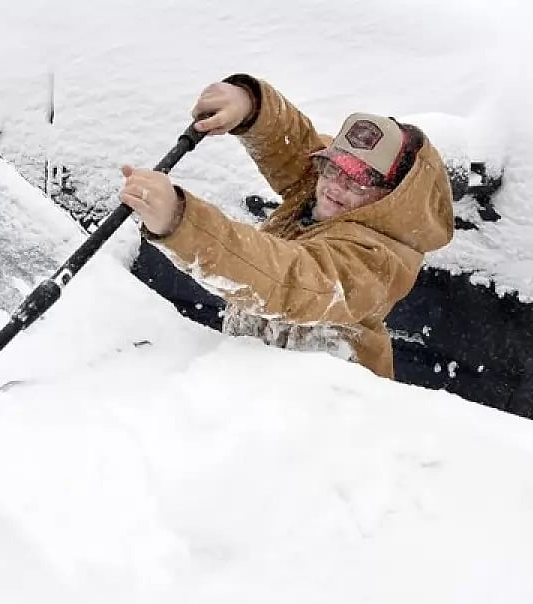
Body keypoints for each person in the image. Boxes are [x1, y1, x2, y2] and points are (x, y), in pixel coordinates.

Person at [119, 74, 455, 380]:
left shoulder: (374, 261)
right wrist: (250, 106)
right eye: (332, 167)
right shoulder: (326, 194)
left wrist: (181, 220)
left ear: (389, 196)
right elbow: (292, 146)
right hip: (258, 393)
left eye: (358, 181)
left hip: (324, 418)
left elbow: (289, 279)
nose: (334, 187)